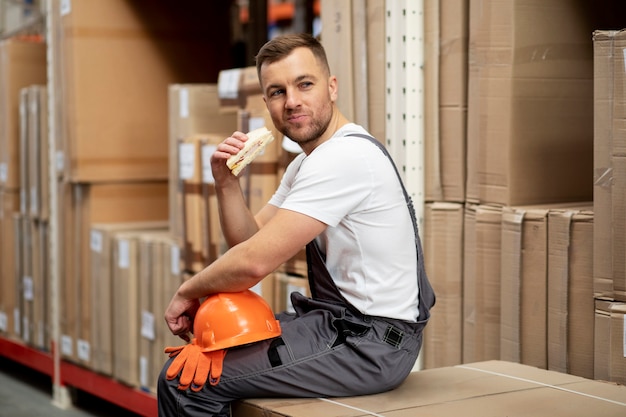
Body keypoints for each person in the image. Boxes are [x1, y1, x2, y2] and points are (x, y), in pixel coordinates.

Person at [158, 32, 435, 417]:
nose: (291, 102)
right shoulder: (307, 162)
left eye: (305, 84)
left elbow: (254, 264)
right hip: (343, 327)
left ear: (332, 87)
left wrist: (188, 290)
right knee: (203, 357)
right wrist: (226, 182)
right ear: (267, 103)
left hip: (371, 345)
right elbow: (249, 243)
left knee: (184, 382)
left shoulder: (343, 157)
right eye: (276, 92)